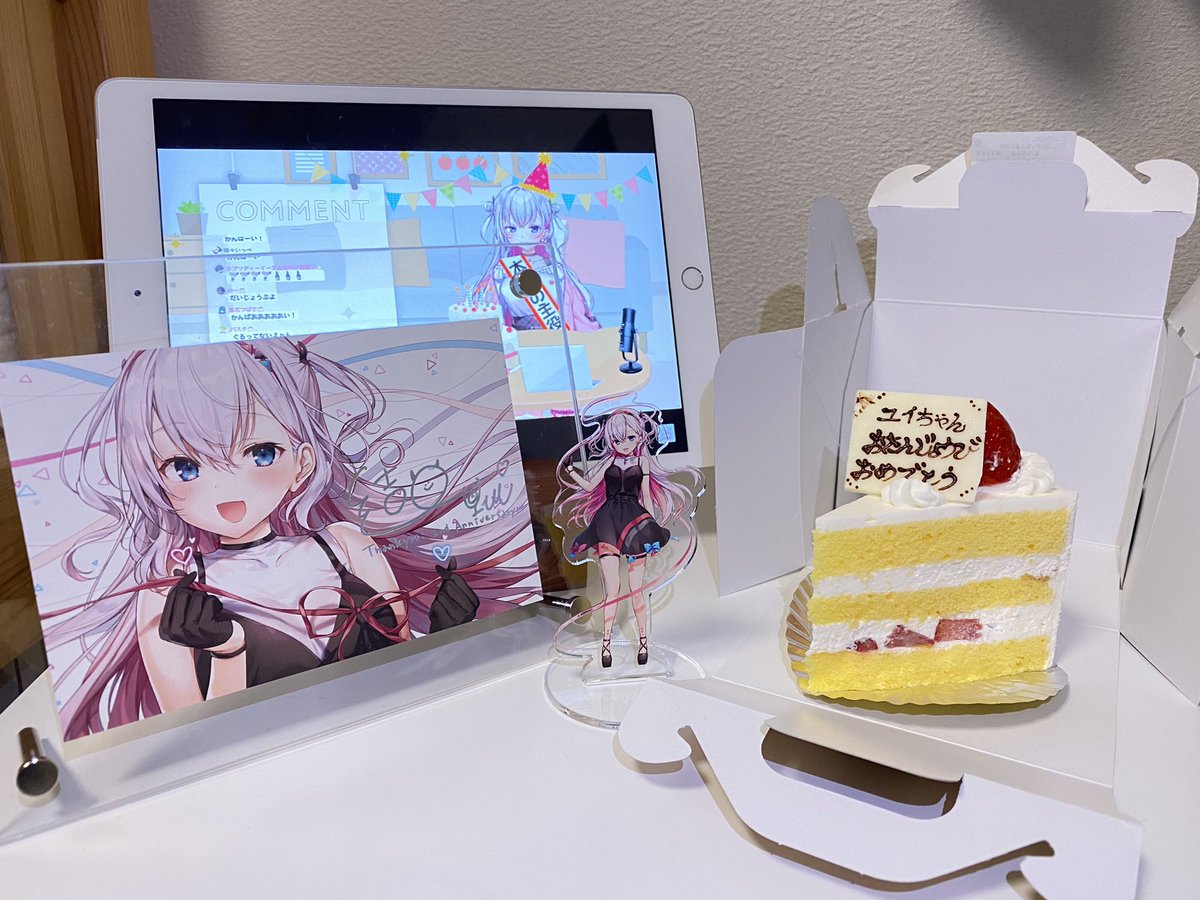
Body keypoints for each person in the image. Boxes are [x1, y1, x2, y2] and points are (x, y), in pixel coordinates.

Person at [49, 338, 533, 738]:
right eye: (185, 467)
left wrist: (448, 636)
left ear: (301, 464)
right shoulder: (165, 598)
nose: (226, 492)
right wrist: (228, 650)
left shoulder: (346, 545)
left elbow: (403, 673)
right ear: (153, 480)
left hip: (398, 743)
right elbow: (198, 741)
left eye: (260, 453)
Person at [554, 405, 702, 667]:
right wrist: (571, 471)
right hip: (608, 523)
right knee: (611, 590)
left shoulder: (642, 461)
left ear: (639, 436)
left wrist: (651, 528)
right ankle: (606, 646)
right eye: (617, 439)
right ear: (610, 440)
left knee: (637, 590)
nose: (624, 444)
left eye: (630, 437)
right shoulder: (608, 462)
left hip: (635, 523)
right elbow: (589, 486)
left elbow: (646, 494)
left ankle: (643, 642)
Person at [471, 183, 601, 332]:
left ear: (545, 230)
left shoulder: (557, 271)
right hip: (517, 338)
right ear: (502, 230)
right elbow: (487, 317)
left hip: (556, 336)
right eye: (512, 229)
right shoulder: (499, 273)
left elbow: (577, 316)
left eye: (533, 228)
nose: (522, 236)